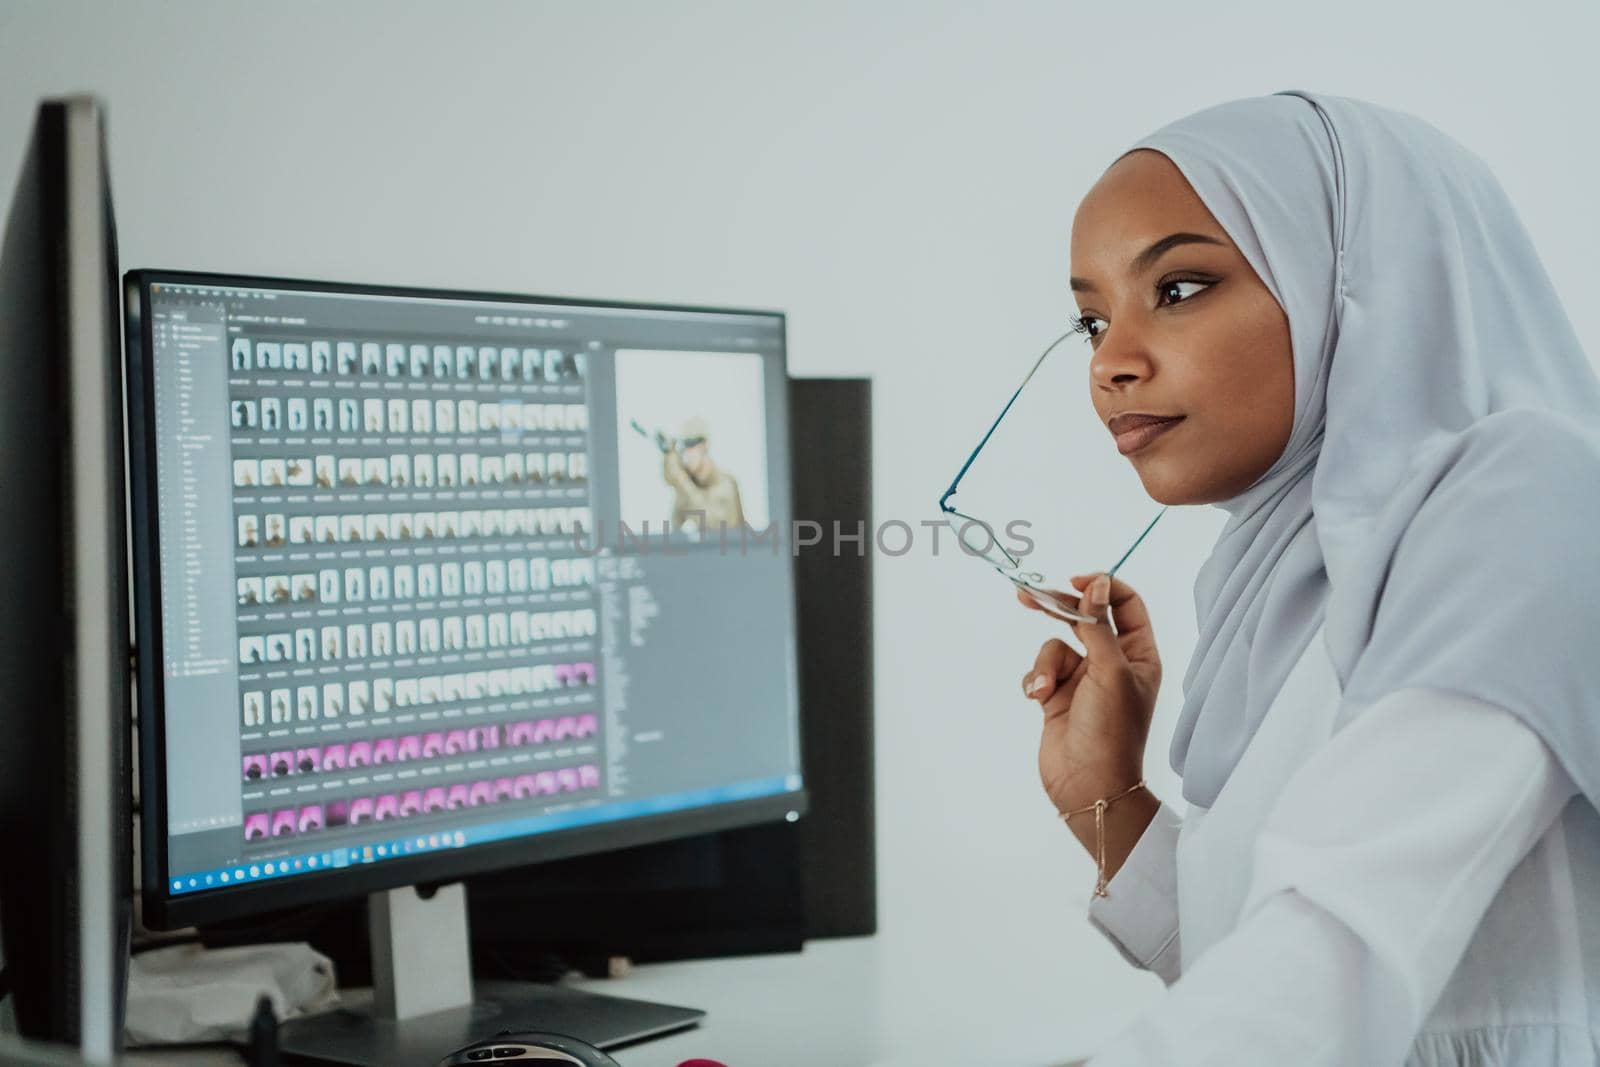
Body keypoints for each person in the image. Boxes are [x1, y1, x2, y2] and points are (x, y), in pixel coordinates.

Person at [1017, 90, 1600, 1065]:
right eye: (1087, 320)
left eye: (1178, 287)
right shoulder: (1293, 565)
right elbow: (1253, 969)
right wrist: (1106, 790)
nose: (1110, 363)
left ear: (1357, 281)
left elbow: (1339, 948)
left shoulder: (1525, 495)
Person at [658, 415, 745, 535]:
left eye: (690, 444)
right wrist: (669, 456)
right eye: (682, 446)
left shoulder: (725, 483)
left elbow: (715, 527)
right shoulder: (686, 488)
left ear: (705, 445)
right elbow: (676, 535)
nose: (686, 452)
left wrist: (681, 479)